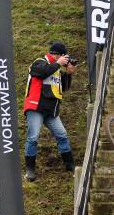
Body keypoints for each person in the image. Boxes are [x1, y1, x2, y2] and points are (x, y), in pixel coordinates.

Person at [23, 42, 77, 181]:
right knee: (33, 137)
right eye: (64, 56)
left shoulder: (57, 69)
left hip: (51, 111)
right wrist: (58, 63)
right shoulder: (39, 62)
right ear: (57, 54)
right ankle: (30, 170)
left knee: (62, 135)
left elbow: (63, 88)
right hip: (36, 107)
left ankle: (70, 166)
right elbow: (42, 73)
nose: (66, 60)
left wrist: (69, 74)